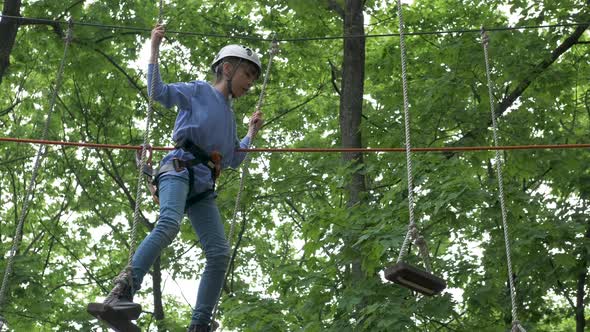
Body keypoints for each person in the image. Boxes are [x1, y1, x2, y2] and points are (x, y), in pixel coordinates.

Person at [89, 24, 264, 332]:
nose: (250, 82)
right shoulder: (199, 91)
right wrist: (154, 48)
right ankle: (122, 292)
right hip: (179, 169)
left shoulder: (231, 119)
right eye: (246, 74)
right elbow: (158, 92)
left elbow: (234, 159)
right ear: (227, 68)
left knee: (220, 253)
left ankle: (199, 325)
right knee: (169, 223)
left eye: (253, 77)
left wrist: (250, 134)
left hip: (203, 186)